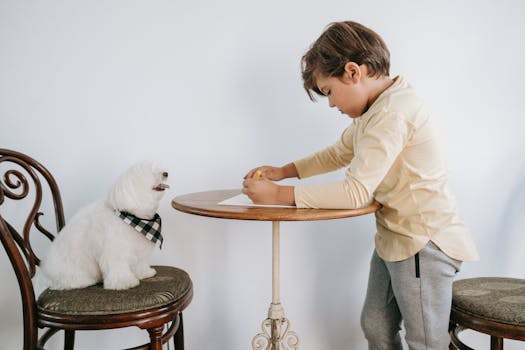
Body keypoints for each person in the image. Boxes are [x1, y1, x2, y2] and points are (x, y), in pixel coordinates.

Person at [242, 20, 479, 350]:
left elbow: (354, 193)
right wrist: (284, 171)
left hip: (423, 242)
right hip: (395, 239)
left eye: (329, 92)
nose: (331, 104)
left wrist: (280, 196)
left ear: (353, 72)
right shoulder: (375, 111)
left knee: (425, 340)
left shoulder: (394, 112)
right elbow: (339, 152)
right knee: (376, 324)